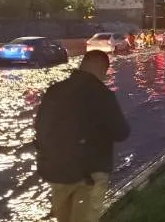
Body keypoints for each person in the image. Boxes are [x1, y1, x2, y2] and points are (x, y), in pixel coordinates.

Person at [34, 50, 129, 222]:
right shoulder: (101, 94)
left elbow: (40, 126)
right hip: (90, 175)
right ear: (102, 69)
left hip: (58, 172)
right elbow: (121, 132)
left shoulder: (55, 90)